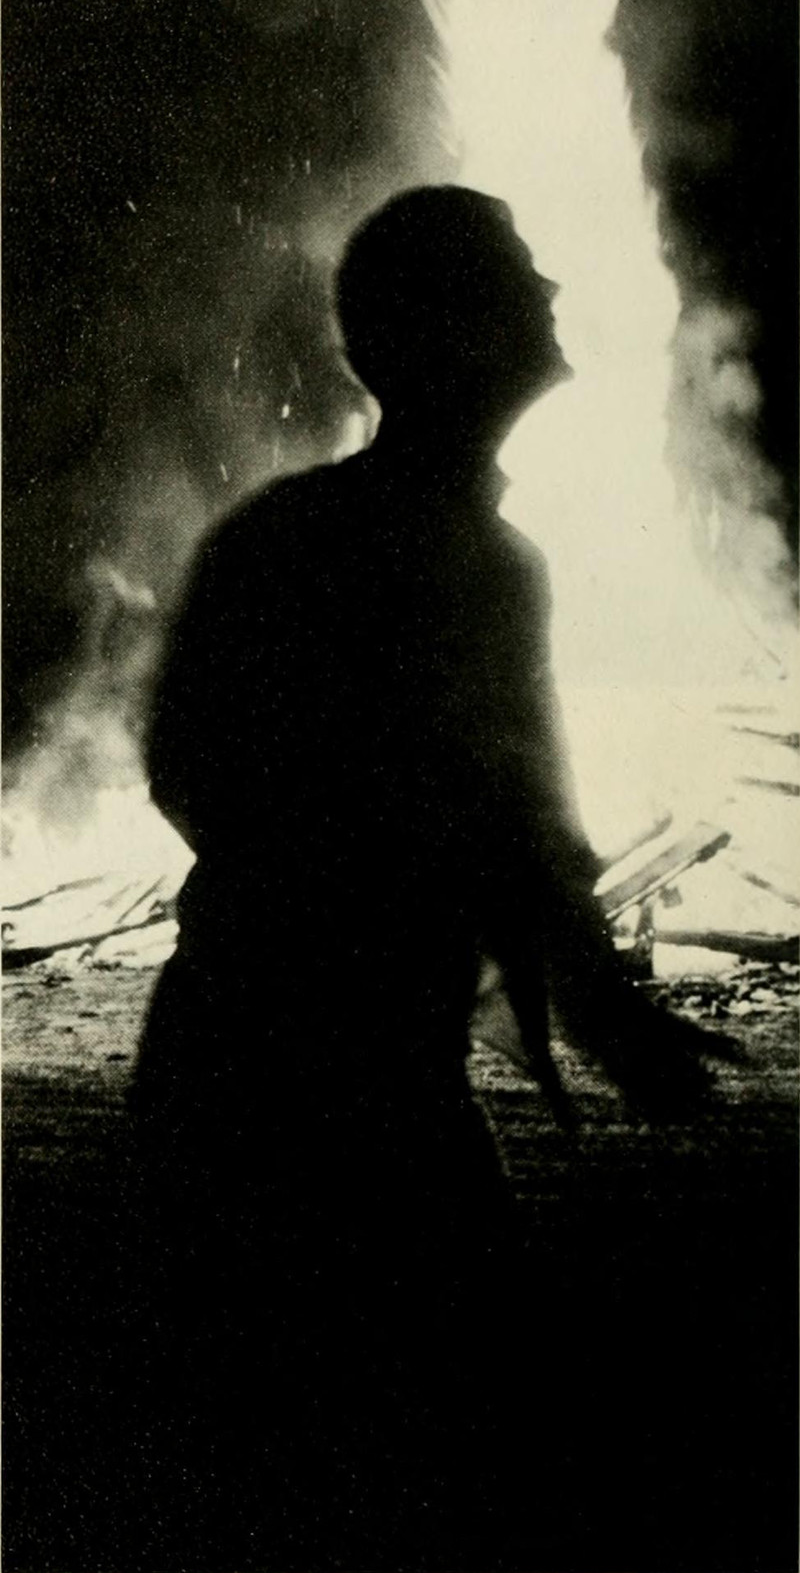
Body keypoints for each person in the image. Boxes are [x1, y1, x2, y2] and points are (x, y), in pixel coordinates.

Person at [131, 183, 707, 1571]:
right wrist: (601, 1018)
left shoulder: (300, 536)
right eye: (518, 272)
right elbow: (509, 827)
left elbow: (189, 765)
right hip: (323, 1085)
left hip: (259, 1064)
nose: (551, 294)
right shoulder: (461, 563)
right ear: (448, 333)